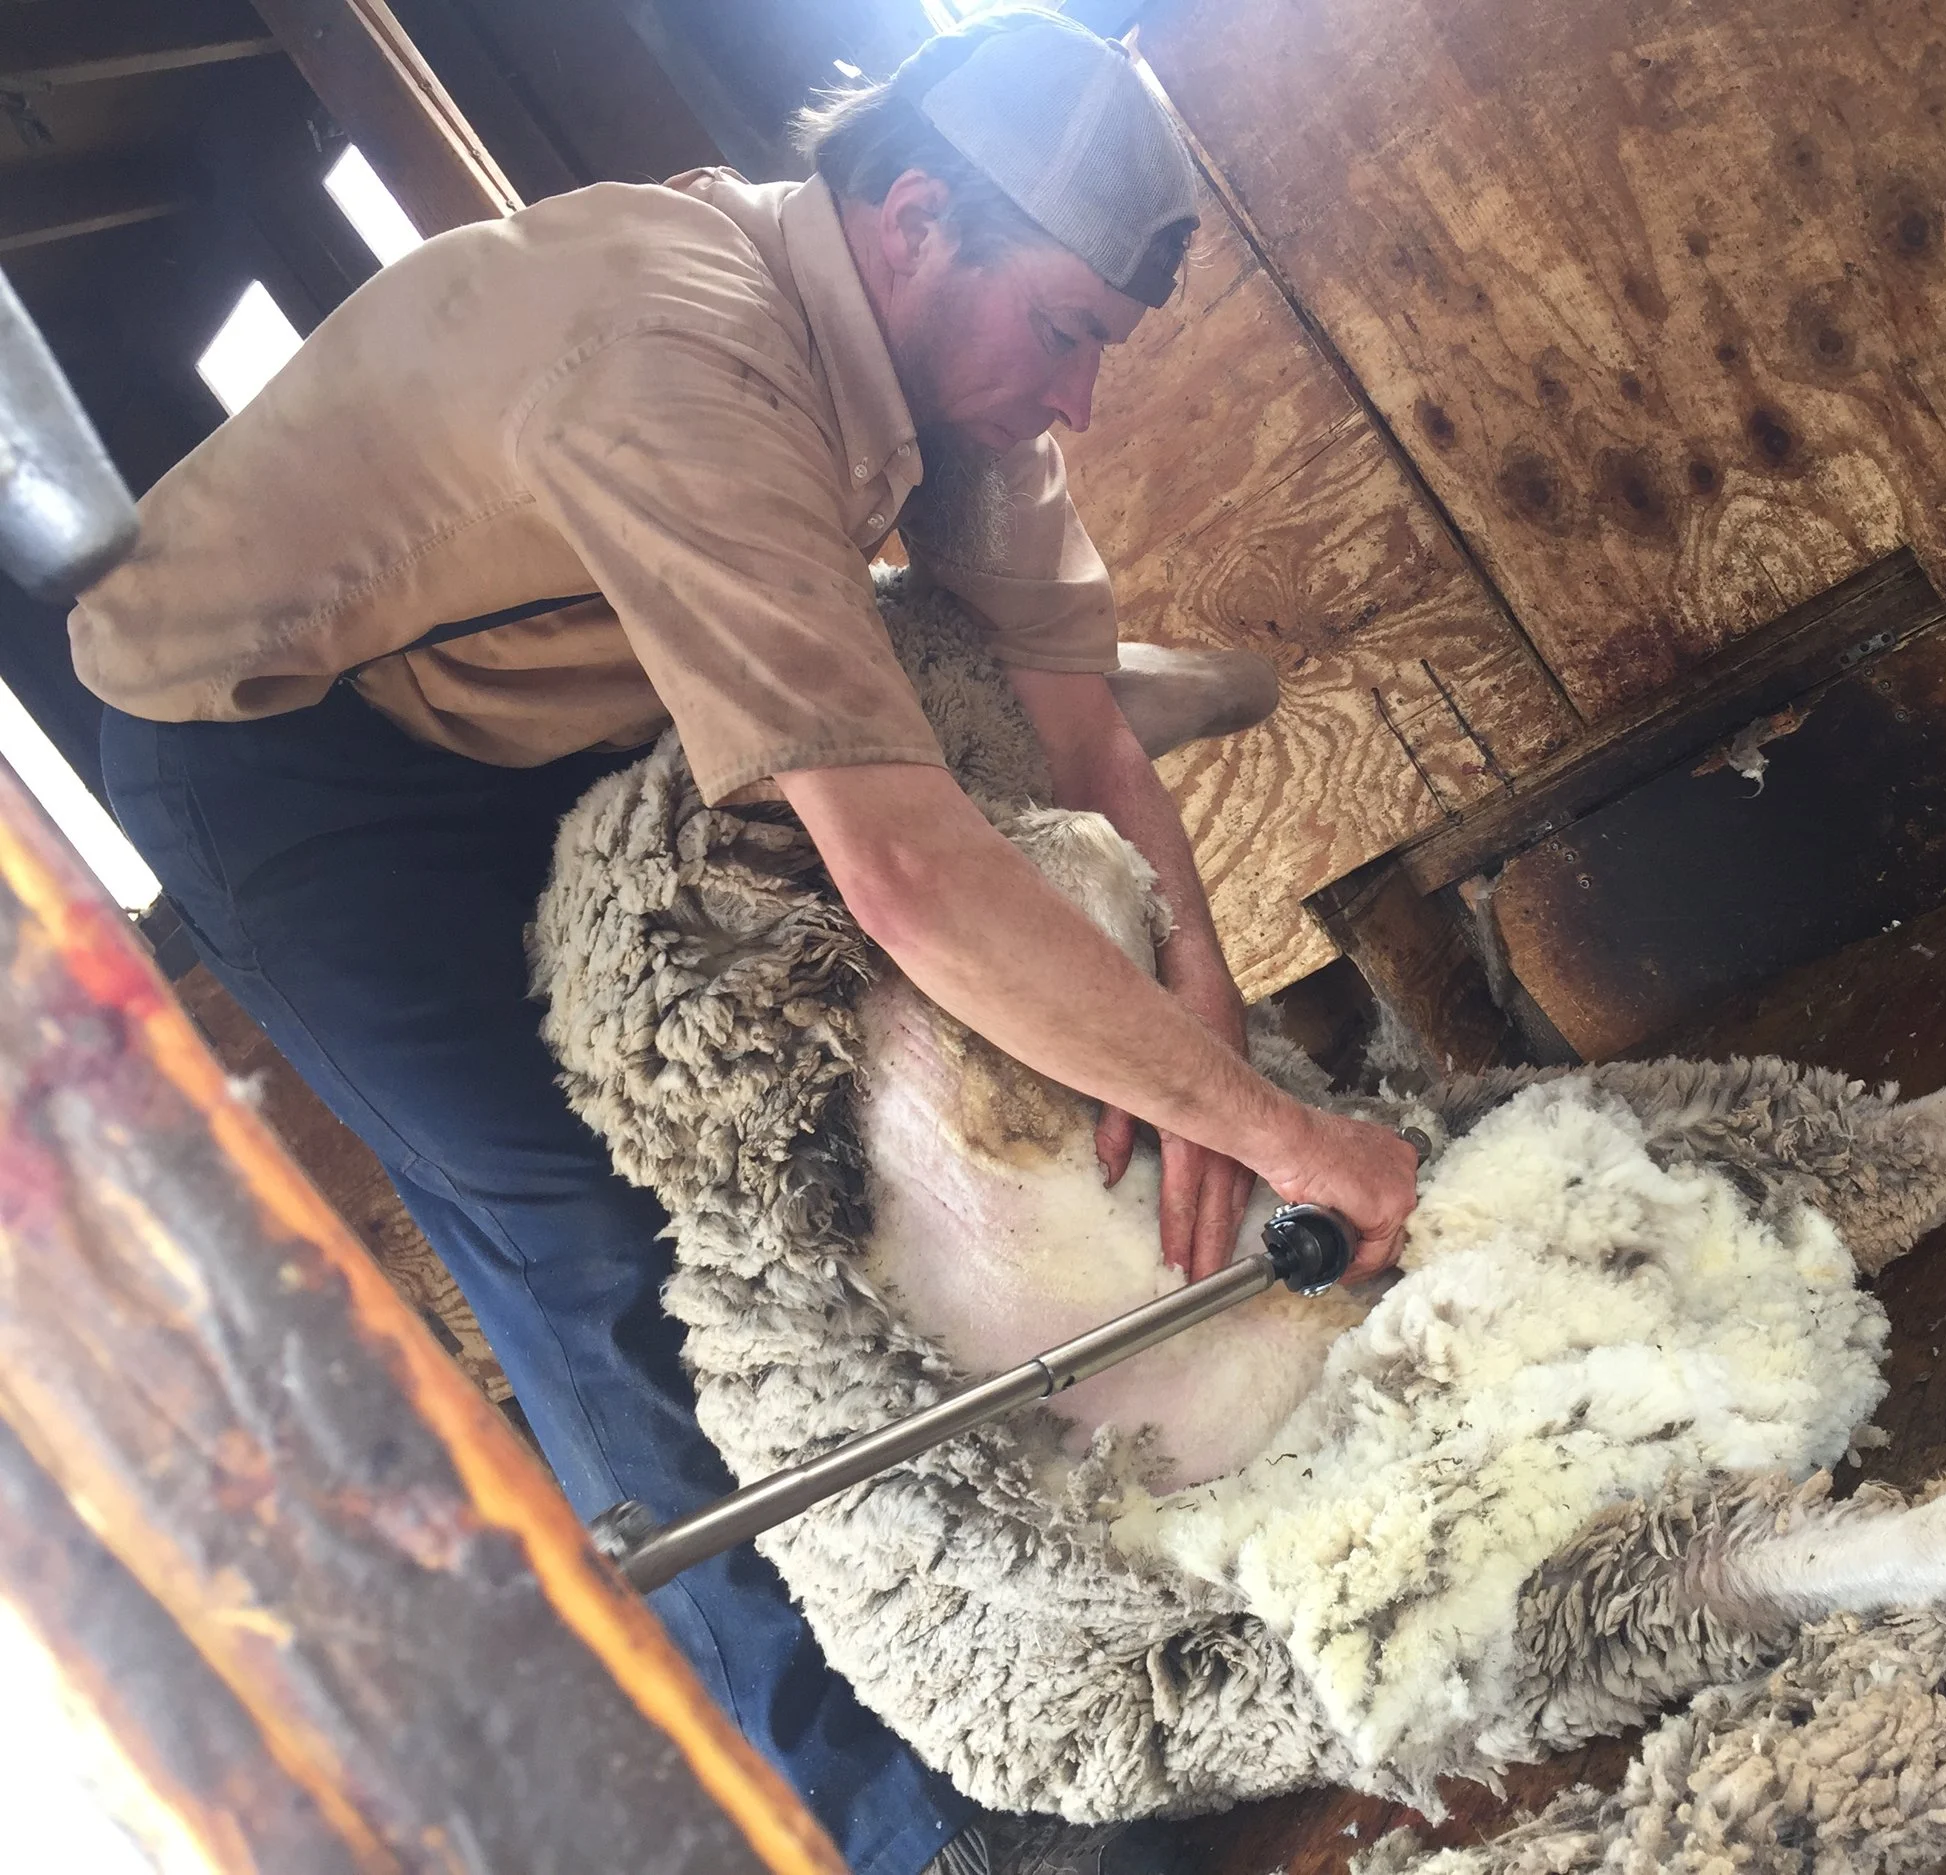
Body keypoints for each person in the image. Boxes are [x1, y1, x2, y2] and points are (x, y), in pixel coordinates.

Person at [69, 11, 1419, 1873]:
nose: (1081, 400)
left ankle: (1079, 1587)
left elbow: (1084, 729)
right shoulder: (678, 351)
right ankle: (909, 1825)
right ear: (919, 217)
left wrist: (1218, 1034)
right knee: (597, 1240)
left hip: (539, 669)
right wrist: (1280, 1142)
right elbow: (917, 874)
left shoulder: (955, 369)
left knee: (840, 1132)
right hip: (284, 745)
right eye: (1068, 338)